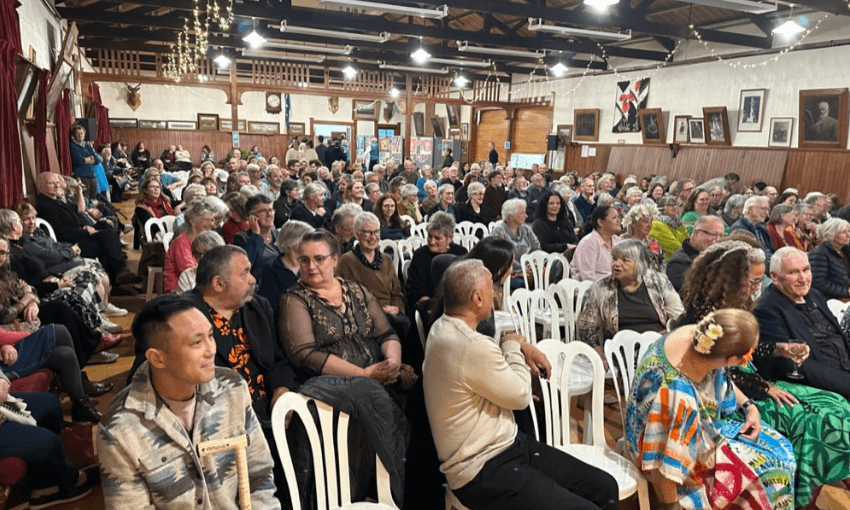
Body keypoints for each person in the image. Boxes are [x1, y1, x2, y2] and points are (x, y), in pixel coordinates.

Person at [423, 259, 619, 510]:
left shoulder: (443, 326)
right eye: (490, 288)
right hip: (482, 469)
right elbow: (522, 395)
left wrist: (520, 344)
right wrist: (514, 347)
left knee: (605, 487)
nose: (495, 293)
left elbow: (489, 363)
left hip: (508, 445)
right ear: (477, 299)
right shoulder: (469, 345)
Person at [99, 294, 280, 510]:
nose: (211, 350)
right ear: (157, 358)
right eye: (197, 342)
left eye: (210, 336)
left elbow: (259, 472)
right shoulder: (119, 429)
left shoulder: (232, 388)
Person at [626, 309, 796, 510]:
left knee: (782, 450)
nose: (748, 361)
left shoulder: (701, 339)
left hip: (700, 430)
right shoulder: (676, 396)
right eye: (748, 354)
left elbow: (721, 374)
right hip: (671, 459)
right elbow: (664, 469)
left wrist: (750, 407)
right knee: (775, 475)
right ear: (733, 358)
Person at [278, 230, 409, 392]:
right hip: (334, 386)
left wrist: (392, 363)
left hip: (377, 372)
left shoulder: (356, 289)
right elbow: (305, 355)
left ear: (334, 260)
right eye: (304, 260)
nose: (311, 266)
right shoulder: (293, 299)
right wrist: (364, 374)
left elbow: (386, 333)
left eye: (319, 259)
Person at [754, 247, 850, 400]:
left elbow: (837, 337)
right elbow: (794, 366)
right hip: (824, 388)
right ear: (774, 276)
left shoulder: (815, 294)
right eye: (793, 272)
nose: (803, 278)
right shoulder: (766, 309)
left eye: (806, 270)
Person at [577, 239, 682, 371]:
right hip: (622, 351)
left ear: (639, 264)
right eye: (614, 259)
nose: (617, 264)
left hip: (658, 345)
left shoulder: (658, 282)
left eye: (625, 260)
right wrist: (600, 356)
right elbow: (587, 329)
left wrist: (663, 336)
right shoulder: (601, 288)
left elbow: (680, 318)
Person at [35, 172, 126, 283]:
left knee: (108, 231)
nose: (57, 186)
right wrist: (86, 232)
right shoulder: (44, 206)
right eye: (51, 183)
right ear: (40, 187)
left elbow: (74, 218)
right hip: (70, 245)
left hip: (78, 236)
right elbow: (62, 233)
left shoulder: (56, 201)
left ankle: (118, 271)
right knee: (108, 237)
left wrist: (84, 226)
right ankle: (118, 275)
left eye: (57, 182)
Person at [337, 212, 410, 338]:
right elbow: (342, 296)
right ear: (357, 234)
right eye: (367, 232)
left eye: (376, 232)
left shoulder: (386, 259)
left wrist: (396, 308)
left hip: (391, 314)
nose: (373, 237)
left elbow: (397, 292)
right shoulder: (346, 261)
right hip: (364, 317)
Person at [406, 212, 468, 309]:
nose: (432, 241)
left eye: (437, 238)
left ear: (449, 238)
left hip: (457, 305)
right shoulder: (420, 255)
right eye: (429, 236)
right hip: (428, 306)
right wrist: (431, 305)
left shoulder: (460, 252)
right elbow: (414, 289)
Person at [258, 220, 312, 316]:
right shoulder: (271, 269)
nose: (310, 244)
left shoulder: (310, 265)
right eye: (306, 240)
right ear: (293, 242)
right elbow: (270, 307)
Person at [163, 202, 216, 292]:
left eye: (212, 220)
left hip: (197, 285)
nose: (211, 224)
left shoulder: (205, 241)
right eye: (207, 220)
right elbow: (190, 272)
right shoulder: (181, 243)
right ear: (192, 222)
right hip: (180, 290)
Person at [665, 215, 726, 291]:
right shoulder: (678, 263)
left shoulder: (718, 256)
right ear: (696, 233)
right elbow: (694, 293)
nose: (718, 240)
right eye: (713, 234)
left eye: (721, 235)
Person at [490, 199, 541, 290]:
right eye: (522, 213)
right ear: (511, 216)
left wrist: (533, 264)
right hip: (508, 273)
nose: (526, 215)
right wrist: (522, 268)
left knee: (547, 277)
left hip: (530, 268)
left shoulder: (526, 229)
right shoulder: (498, 232)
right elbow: (503, 257)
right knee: (522, 284)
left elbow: (536, 248)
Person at [233, 195, 280, 285]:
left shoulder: (278, 235)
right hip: (257, 288)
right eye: (263, 211)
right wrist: (256, 235)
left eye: (270, 210)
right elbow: (246, 265)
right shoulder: (242, 238)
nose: (269, 215)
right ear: (252, 217)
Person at [572, 205, 621, 282]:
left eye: (618, 217)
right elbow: (588, 277)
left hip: (613, 284)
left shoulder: (617, 240)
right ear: (601, 222)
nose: (619, 220)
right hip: (591, 289)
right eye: (614, 218)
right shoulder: (589, 243)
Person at [807, 217, 850, 299]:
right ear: (831, 234)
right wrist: (845, 291)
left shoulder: (846, 250)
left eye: (848, 231)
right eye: (843, 232)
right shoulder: (819, 253)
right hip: (831, 300)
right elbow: (818, 283)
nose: (848, 235)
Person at [730, 195, 773, 274]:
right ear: (750, 209)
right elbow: (745, 260)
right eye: (763, 209)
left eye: (767, 209)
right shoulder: (739, 229)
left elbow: (770, 250)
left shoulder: (762, 227)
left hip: (769, 267)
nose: (767, 213)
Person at [620, 203, 664, 272]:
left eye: (651, 221)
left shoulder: (653, 242)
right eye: (645, 221)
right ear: (633, 223)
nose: (649, 226)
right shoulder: (622, 241)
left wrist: (653, 254)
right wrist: (644, 252)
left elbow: (659, 266)